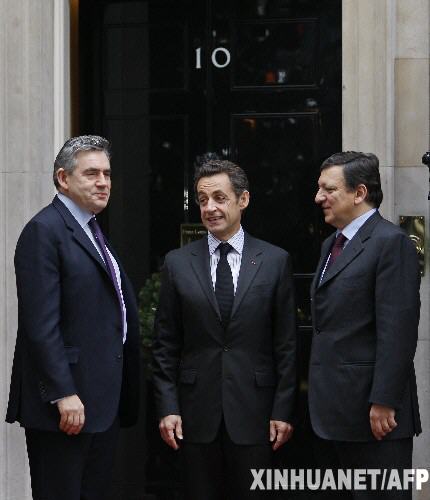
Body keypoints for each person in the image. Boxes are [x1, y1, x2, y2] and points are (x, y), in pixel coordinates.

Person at [152, 158, 296, 499]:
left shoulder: (275, 261)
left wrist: (283, 410)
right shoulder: (178, 263)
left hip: (256, 414)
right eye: (203, 200)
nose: (210, 208)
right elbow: (165, 345)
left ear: (243, 200)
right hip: (194, 415)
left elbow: (286, 345)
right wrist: (168, 407)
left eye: (219, 198)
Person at [6, 135, 140, 500]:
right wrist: (63, 392)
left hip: (100, 403)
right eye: (91, 174)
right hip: (66, 407)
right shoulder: (44, 231)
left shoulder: (92, 231)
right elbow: (40, 324)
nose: (103, 182)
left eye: (107, 174)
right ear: (63, 179)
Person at [309, 151, 421, 499]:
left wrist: (384, 400)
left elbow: (398, 329)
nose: (319, 197)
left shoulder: (391, 242)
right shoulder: (331, 244)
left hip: (376, 417)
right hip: (336, 413)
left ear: (359, 193)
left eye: (329, 189)